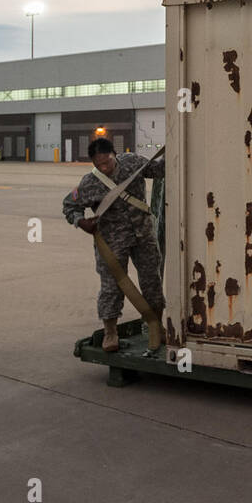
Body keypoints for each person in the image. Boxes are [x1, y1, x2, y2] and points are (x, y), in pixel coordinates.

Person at [61, 138, 165, 352]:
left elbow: (157, 170)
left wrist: (174, 149)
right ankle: (110, 332)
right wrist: (81, 222)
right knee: (111, 288)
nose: (105, 168)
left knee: (152, 281)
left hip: (143, 235)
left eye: (107, 162)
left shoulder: (132, 163)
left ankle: (157, 325)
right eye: (99, 165)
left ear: (114, 155)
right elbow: (69, 205)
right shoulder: (90, 182)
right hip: (111, 242)